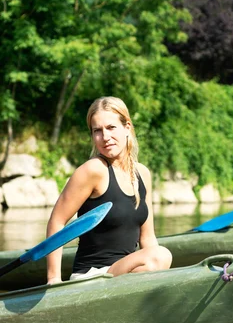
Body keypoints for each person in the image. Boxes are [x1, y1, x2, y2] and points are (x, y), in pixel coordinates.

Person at [46, 96, 172, 284]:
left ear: (127, 128)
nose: (105, 137)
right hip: (91, 277)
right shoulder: (93, 170)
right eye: (97, 131)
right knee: (161, 255)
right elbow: (57, 221)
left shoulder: (142, 174)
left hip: (125, 275)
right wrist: (54, 279)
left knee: (158, 257)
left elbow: (148, 237)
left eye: (111, 127)